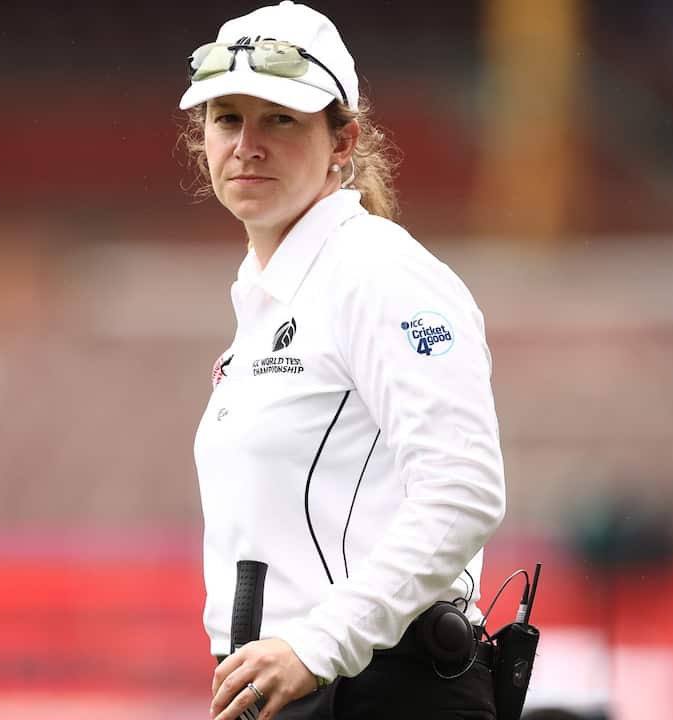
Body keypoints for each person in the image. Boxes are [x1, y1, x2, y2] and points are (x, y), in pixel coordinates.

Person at [180, 3, 507, 719]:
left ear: (343, 140)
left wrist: (318, 645)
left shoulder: (377, 273)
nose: (248, 144)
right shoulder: (271, 299)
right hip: (293, 686)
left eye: (282, 119)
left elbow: (465, 488)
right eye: (227, 118)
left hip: (374, 688)